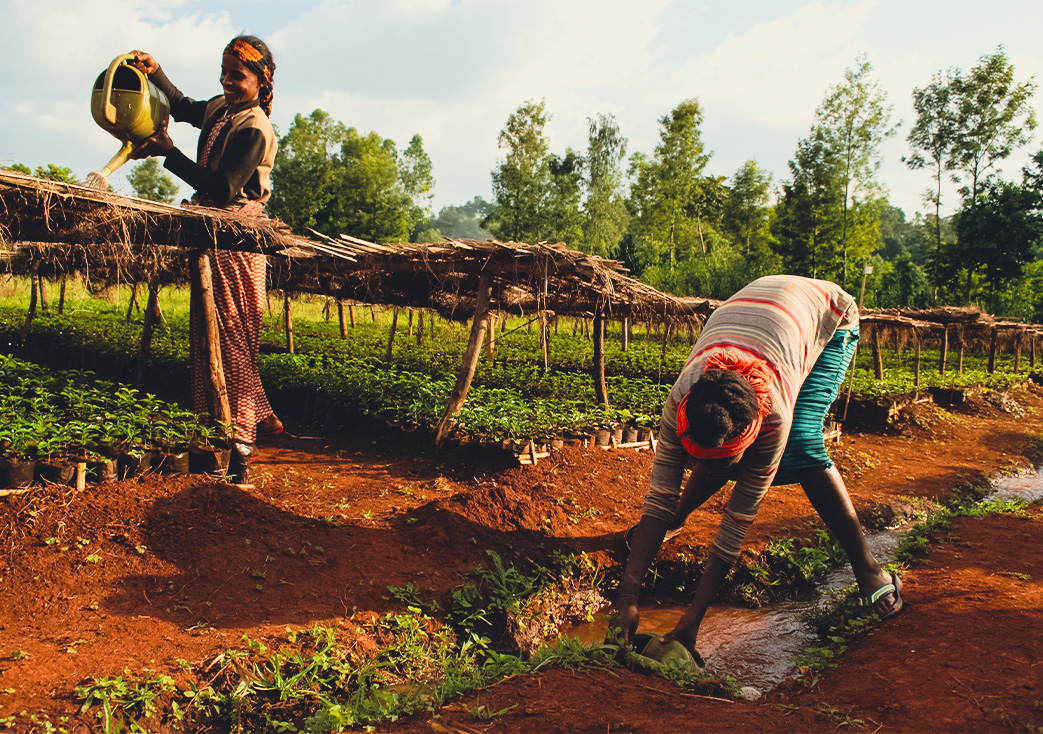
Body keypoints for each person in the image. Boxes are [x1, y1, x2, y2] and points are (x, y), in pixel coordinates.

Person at [617, 274, 903, 661]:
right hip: (755, 308)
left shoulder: (774, 418)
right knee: (709, 466)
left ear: (752, 433)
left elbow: (736, 522)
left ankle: (869, 570)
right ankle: (677, 519)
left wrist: (693, 620)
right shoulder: (682, 398)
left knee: (801, 446)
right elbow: (658, 495)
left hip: (827, 316)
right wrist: (628, 599)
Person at [129, 36, 283, 482]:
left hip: (237, 236)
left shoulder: (254, 127)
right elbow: (182, 106)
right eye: (224, 71)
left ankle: (241, 455)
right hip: (213, 232)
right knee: (211, 335)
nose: (227, 80)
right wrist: (154, 71)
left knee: (233, 340)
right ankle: (248, 424)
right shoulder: (222, 109)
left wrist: (169, 153)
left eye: (237, 75)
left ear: (260, 80)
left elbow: (222, 189)